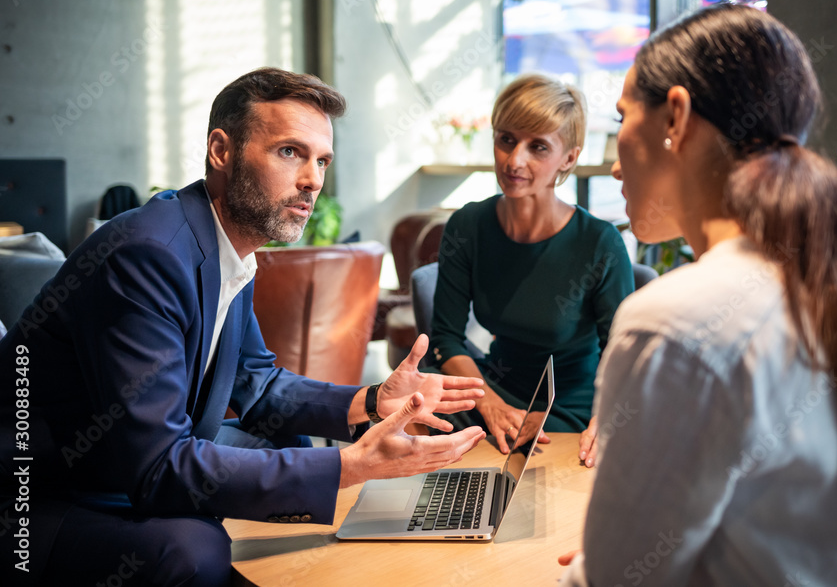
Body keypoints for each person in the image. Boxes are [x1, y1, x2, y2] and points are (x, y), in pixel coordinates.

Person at [0, 67, 486, 586]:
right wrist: (352, 465)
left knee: (294, 448)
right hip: (38, 496)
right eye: (289, 152)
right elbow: (158, 465)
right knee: (196, 550)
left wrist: (371, 401)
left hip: (113, 464)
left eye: (322, 160)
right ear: (221, 150)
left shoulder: (225, 244)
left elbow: (259, 384)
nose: (313, 180)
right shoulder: (148, 255)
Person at [559, 5, 837, 585]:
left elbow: (620, 578)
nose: (614, 163)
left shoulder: (677, 319)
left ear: (675, 116)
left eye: (622, 118)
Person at [430, 74, 633, 455]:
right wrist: (487, 402)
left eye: (538, 147)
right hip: (490, 390)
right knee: (408, 410)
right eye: (506, 139)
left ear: (569, 158)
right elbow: (445, 339)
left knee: (518, 457)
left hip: (569, 406)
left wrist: (603, 418)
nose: (514, 160)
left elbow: (621, 355)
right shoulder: (468, 225)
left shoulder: (599, 243)